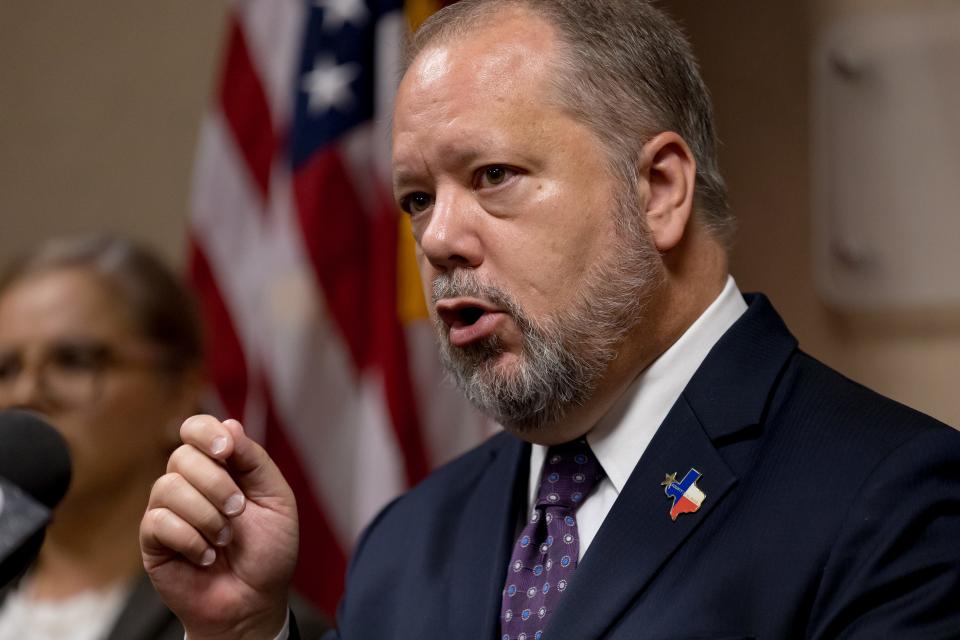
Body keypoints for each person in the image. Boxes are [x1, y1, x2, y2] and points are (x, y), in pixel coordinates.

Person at [139, 2, 960, 639]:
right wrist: (247, 631)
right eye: (418, 199)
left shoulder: (897, 500)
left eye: (493, 175)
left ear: (661, 189)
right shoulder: (406, 541)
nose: (438, 240)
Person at [0, 234, 327, 640]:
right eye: (6, 369)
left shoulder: (251, 623)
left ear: (179, 391)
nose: (25, 394)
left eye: (73, 361)